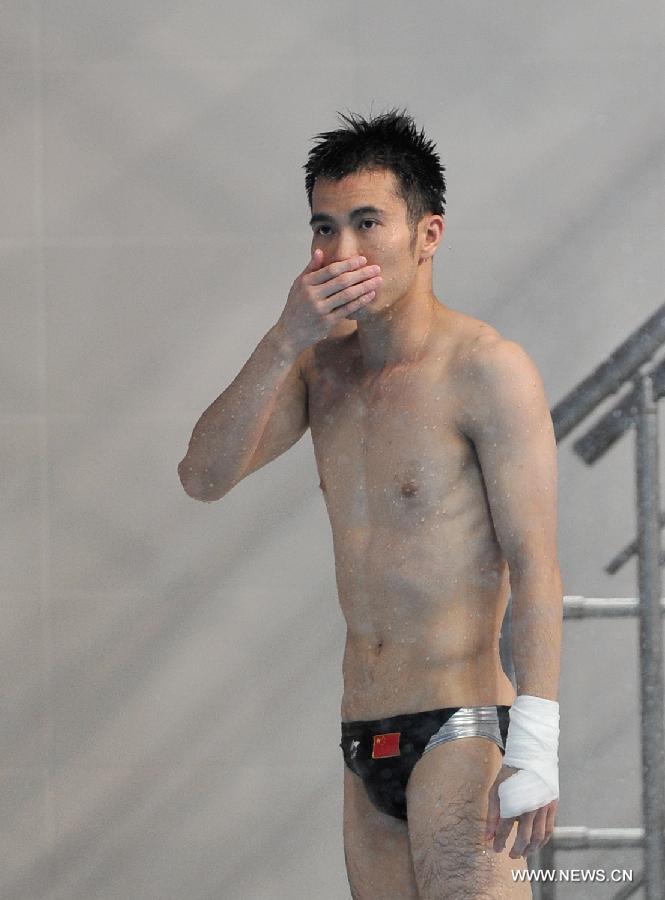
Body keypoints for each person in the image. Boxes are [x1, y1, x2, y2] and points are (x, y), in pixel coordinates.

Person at [178, 109, 563, 899]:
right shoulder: (322, 371)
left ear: (428, 234)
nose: (340, 252)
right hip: (363, 732)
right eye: (323, 228)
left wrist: (537, 737)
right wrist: (283, 339)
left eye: (366, 223)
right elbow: (202, 475)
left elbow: (535, 564)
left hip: (460, 731)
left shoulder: (485, 368)